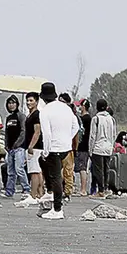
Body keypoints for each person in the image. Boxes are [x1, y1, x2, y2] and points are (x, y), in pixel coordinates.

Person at [37, 82, 75, 220]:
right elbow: (75, 126)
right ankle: (50, 191)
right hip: (65, 147)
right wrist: (67, 138)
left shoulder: (45, 111)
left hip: (54, 148)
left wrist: (46, 150)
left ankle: (57, 208)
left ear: (42, 97)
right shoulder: (66, 108)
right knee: (41, 161)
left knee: (56, 177)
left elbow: (46, 134)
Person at [20, 91, 45, 203]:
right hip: (32, 146)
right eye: (27, 100)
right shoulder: (30, 115)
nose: (28, 102)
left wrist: (31, 146)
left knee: (34, 172)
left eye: (31, 100)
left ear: (37, 101)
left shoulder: (36, 115)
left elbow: (37, 131)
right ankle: (40, 194)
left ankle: (33, 195)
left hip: (35, 147)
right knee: (38, 171)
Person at [89, 99, 117, 196]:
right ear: (107, 107)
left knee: (98, 170)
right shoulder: (112, 119)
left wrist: (90, 150)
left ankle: (100, 190)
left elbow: (92, 136)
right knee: (106, 169)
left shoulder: (96, 119)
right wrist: (112, 146)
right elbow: (114, 135)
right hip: (108, 147)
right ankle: (105, 188)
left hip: (98, 147)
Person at [3, 95, 28, 198]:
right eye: (9, 103)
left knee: (19, 169)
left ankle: (26, 189)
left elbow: (23, 131)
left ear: (17, 104)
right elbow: (7, 133)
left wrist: (17, 143)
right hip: (10, 149)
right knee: (10, 172)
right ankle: (9, 191)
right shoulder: (8, 118)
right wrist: (6, 145)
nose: (11, 105)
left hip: (19, 148)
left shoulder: (21, 116)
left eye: (13, 103)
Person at [58, 93, 79, 200]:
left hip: (68, 147)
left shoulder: (71, 116)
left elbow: (76, 133)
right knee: (57, 170)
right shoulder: (56, 114)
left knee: (68, 171)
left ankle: (67, 192)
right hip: (57, 146)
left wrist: (75, 147)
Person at [75, 98, 92, 197]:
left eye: (80, 105)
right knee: (81, 167)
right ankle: (82, 188)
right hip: (82, 145)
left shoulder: (86, 119)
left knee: (82, 168)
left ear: (83, 106)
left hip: (83, 146)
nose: (79, 107)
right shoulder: (86, 118)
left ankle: (83, 189)